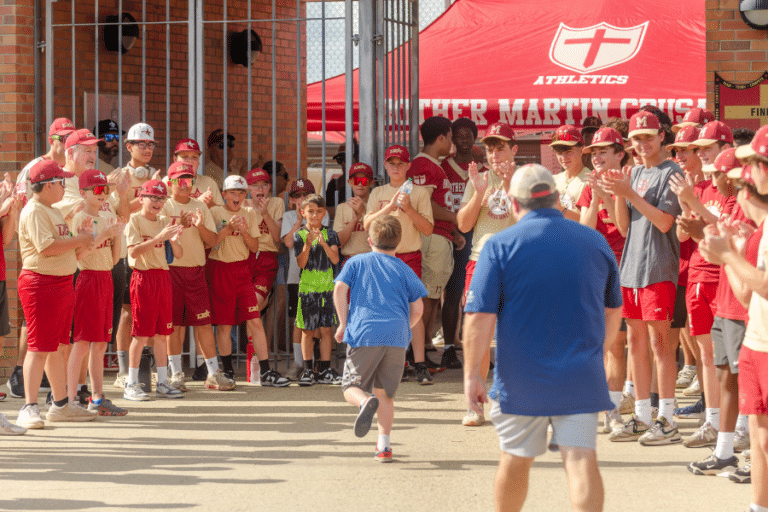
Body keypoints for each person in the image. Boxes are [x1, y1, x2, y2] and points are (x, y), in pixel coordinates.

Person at [464, 163, 622, 512]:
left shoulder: (499, 244)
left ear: (514, 204)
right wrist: (597, 352)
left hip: (521, 377)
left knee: (515, 457)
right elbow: (614, 311)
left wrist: (471, 374)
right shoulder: (593, 240)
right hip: (581, 373)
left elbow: (478, 317)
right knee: (581, 459)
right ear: (555, 198)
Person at [600, 110, 684, 445]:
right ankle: (643, 414)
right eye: (636, 139)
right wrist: (620, 191)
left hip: (659, 267)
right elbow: (623, 227)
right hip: (632, 267)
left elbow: (665, 223)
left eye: (648, 136)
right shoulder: (634, 172)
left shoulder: (672, 172)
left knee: (660, 344)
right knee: (635, 343)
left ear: (662, 136)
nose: (642, 143)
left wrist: (630, 193)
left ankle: (667, 417)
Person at [699, 126, 768, 512]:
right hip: (758, 341)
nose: (747, 177)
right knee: (759, 441)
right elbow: (747, 293)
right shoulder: (760, 232)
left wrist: (729, 256)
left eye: (753, 165)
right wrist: (734, 251)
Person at [334, 215, 427, 462]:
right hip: (396, 335)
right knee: (385, 394)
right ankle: (383, 445)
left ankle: (364, 403)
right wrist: (404, 327)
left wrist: (343, 322)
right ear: (399, 242)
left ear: (369, 240)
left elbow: (340, 289)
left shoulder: (356, 262)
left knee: (350, 387)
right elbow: (418, 308)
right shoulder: (405, 269)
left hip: (365, 331)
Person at [15, 160, 97, 429]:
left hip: (60, 283)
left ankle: (60, 405)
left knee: (59, 347)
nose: (64, 186)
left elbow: (68, 250)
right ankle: (28, 407)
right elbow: (47, 248)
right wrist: (79, 240)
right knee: (39, 348)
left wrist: (85, 241)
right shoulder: (35, 210)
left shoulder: (52, 211)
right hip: (41, 283)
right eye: (61, 182)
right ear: (47, 185)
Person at [687, 149, 754, 475]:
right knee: (726, 377)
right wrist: (702, 234)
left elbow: (742, 250)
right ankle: (725, 452)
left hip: (743, 305)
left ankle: (756, 458)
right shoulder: (730, 203)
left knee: (750, 385)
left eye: (718, 174)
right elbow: (719, 245)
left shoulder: (749, 205)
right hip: (726, 302)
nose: (713, 180)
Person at [8, 118, 76, 402]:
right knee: (36, 336)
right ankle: (23, 386)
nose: (67, 142)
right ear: (52, 140)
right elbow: (23, 207)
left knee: (56, 342)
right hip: (40, 272)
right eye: (63, 137)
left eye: (71, 137)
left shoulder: (55, 200)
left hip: (59, 273)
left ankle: (60, 401)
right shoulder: (35, 173)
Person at [455, 121, 518, 424]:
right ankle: (475, 401)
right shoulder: (478, 179)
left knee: (513, 333)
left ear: (514, 149)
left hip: (516, 263)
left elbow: (531, 220)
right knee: (477, 332)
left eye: (501, 147)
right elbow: (463, 225)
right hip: (480, 261)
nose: (495, 154)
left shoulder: (525, 180)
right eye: (491, 149)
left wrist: (509, 187)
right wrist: (479, 193)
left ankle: (507, 396)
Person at [208, 175, 290, 387]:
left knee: (254, 319)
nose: (237, 196)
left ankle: (265, 371)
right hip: (220, 269)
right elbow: (209, 244)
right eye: (232, 192)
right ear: (224, 194)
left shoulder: (249, 214)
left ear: (245, 196)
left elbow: (254, 247)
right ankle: (227, 371)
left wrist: (243, 230)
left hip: (242, 269)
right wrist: (227, 229)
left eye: (241, 192)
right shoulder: (215, 212)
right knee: (225, 325)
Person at [161, 161, 235, 391]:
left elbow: (212, 241)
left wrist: (200, 226)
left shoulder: (200, 207)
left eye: (189, 180)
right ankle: (175, 375)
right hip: (170, 272)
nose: (186, 185)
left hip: (196, 272)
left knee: (203, 323)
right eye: (180, 181)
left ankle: (213, 373)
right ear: (170, 182)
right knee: (173, 325)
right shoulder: (163, 206)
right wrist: (178, 225)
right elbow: (156, 239)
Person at [364, 145, 434, 384]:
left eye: (400, 163)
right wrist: (390, 206)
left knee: (415, 309)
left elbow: (427, 229)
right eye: (391, 163)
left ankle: (420, 363)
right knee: (387, 310)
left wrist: (409, 209)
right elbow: (367, 225)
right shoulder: (378, 192)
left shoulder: (420, 192)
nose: (395, 167)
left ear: (408, 166)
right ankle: (397, 362)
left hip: (409, 256)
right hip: (383, 257)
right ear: (385, 165)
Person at [577, 126, 629, 433]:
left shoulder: (627, 180)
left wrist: (608, 196)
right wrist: (595, 197)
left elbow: (623, 229)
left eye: (603, 152)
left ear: (619, 155)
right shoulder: (589, 185)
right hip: (593, 268)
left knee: (617, 342)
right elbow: (586, 230)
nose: (597, 157)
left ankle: (612, 409)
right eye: (594, 152)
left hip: (622, 266)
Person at [68, 169, 127, 416]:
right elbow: (78, 257)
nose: (104, 195)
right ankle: (69, 400)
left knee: (101, 343)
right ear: (83, 193)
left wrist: (115, 237)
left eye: (106, 189)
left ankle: (97, 397)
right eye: (98, 190)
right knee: (82, 343)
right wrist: (103, 235)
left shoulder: (105, 217)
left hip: (105, 277)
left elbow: (113, 259)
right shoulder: (79, 218)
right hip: (88, 278)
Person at [123, 179, 184, 401]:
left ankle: (163, 382)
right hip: (143, 278)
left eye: (161, 198)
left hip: (163, 278)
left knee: (162, 334)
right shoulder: (134, 221)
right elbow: (135, 251)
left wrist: (174, 240)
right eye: (153, 197)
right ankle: (131, 383)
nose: (158, 202)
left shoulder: (163, 220)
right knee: (141, 335)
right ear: (142, 198)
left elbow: (178, 254)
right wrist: (159, 238)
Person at [110, 123, 159, 388]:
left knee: (148, 313)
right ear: (128, 147)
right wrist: (143, 195)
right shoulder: (119, 176)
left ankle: (144, 369)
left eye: (150, 144)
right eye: (142, 144)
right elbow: (118, 214)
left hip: (154, 252)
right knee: (127, 313)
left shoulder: (157, 176)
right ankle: (122, 371)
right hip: (127, 251)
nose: (147, 149)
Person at [406, 116, 455, 376]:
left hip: (440, 235)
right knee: (426, 299)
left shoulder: (433, 164)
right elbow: (424, 204)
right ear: (441, 138)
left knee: (432, 298)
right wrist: (456, 219)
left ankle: (421, 351)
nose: (451, 143)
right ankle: (416, 356)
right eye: (449, 137)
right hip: (431, 236)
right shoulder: (423, 165)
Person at [282, 179, 329, 380]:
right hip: (296, 277)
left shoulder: (319, 214)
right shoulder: (289, 215)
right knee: (298, 322)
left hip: (319, 277)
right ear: (291, 199)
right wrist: (298, 223)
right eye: (297, 196)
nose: (301, 200)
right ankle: (298, 363)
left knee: (319, 322)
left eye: (306, 195)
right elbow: (288, 241)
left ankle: (316, 363)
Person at [293, 193, 342, 386]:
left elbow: (335, 259)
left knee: (326, 331)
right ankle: (307, 370)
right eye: (310, 211)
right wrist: (307, 245)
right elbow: (301, 263)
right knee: (307, 330)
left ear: (324, 213)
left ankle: (325, 369)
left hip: (327, 289)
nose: (314, 215)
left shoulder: (330, 234)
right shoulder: (300, 235)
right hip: (308, 289)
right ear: (303, 213)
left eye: (318, 211)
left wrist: (322, 242)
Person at [440, 117, 477, 368]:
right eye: (459, 135)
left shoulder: (481, 168)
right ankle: (449, 347)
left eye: (468, 135)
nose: (464, 139)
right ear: (452, 138)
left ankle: (476, 346)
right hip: (451, 236)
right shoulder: (442, 167)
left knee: (475, 294)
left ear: (475, 138)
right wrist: (453, 230)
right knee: (451, 292)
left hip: (477, 236)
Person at [244, 167, 285, 383]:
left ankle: (255, 361)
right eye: (255, 185)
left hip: (267, 258)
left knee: (255, 304)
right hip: (244, 257)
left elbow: (277, 237)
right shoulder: (241, 203)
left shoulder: (276, 202)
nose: (260, 189)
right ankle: (254, 360)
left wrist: (264, 212)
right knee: (249, 311)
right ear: (248, 188)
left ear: (269, 186)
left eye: (264, 185)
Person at [333, 162, 374, 265]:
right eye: (356, 180)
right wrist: (354, 221)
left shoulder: (376, 205)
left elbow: (382, 238)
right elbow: (339, 243)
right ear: (349, 182)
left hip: (372, 260)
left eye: (364, 181)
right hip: (350, 261)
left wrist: (363, 213)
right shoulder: (342, 208)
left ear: (371, 183)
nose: (360, 184)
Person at [550, 124, 590, 221]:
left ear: (581, 150)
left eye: (568, 152)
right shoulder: (553, 180)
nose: (564, 158)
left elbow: (591, 223)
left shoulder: (591, 180)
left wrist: (561, 209)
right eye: (559, 153)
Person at [172, 138, 224, 207]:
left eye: (194, 157)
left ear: (199, 161)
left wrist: (211, 205)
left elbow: (223, 217)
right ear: (175, 159)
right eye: (185, 157)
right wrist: (198, 203)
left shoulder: (209, 182)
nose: (190, 161)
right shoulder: (170, 181)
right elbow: (167, 212)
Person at [326, 140, 359, 218]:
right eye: (340, 160)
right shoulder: (333, 184)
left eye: (346, 158)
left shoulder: (363, 183)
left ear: (357, 159)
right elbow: (326, 213)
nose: (343, 163)